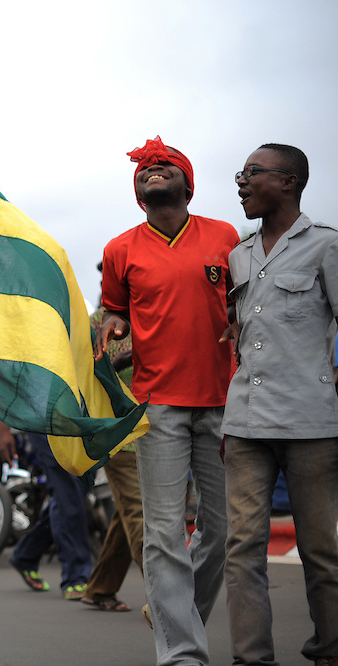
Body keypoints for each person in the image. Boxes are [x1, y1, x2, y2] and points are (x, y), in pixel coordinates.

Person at [96, 136, 239, 665]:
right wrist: (111, 325)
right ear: (137, 192)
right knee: (162, 532)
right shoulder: (119, 249)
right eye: (145, 169)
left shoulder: (225, 237)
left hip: (224, 402)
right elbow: (114, 310)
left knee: (223, 530)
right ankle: (181, 653)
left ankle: (173, 609)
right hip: (156, 406)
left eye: (165, 166)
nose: (152, 170)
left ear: (188, 183)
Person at [220, 144, 338, 666]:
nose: (241, 182)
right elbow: (240, 334)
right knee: (241, 550)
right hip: (246, 423)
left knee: (322, 553)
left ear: (288, 182)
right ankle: (252, 659)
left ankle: (330, 652)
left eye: (251, 173)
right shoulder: (238, 255)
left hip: (312, 422)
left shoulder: (326, 248)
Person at [82, 301, 143, 613]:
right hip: (116, 434)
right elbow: (83, 371)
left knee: (124, 517)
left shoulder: (150, 315)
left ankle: (100, 589)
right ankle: (169, 597)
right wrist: (117, 363)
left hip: (152, 428)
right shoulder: (94, 324)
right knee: (139, 514)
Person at [8, 431, 93, 600]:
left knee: (69, 497)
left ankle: (26, 554)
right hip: (45, 425)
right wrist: (5, 431)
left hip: (81, 424)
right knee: (69, 495)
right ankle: (75, 576)